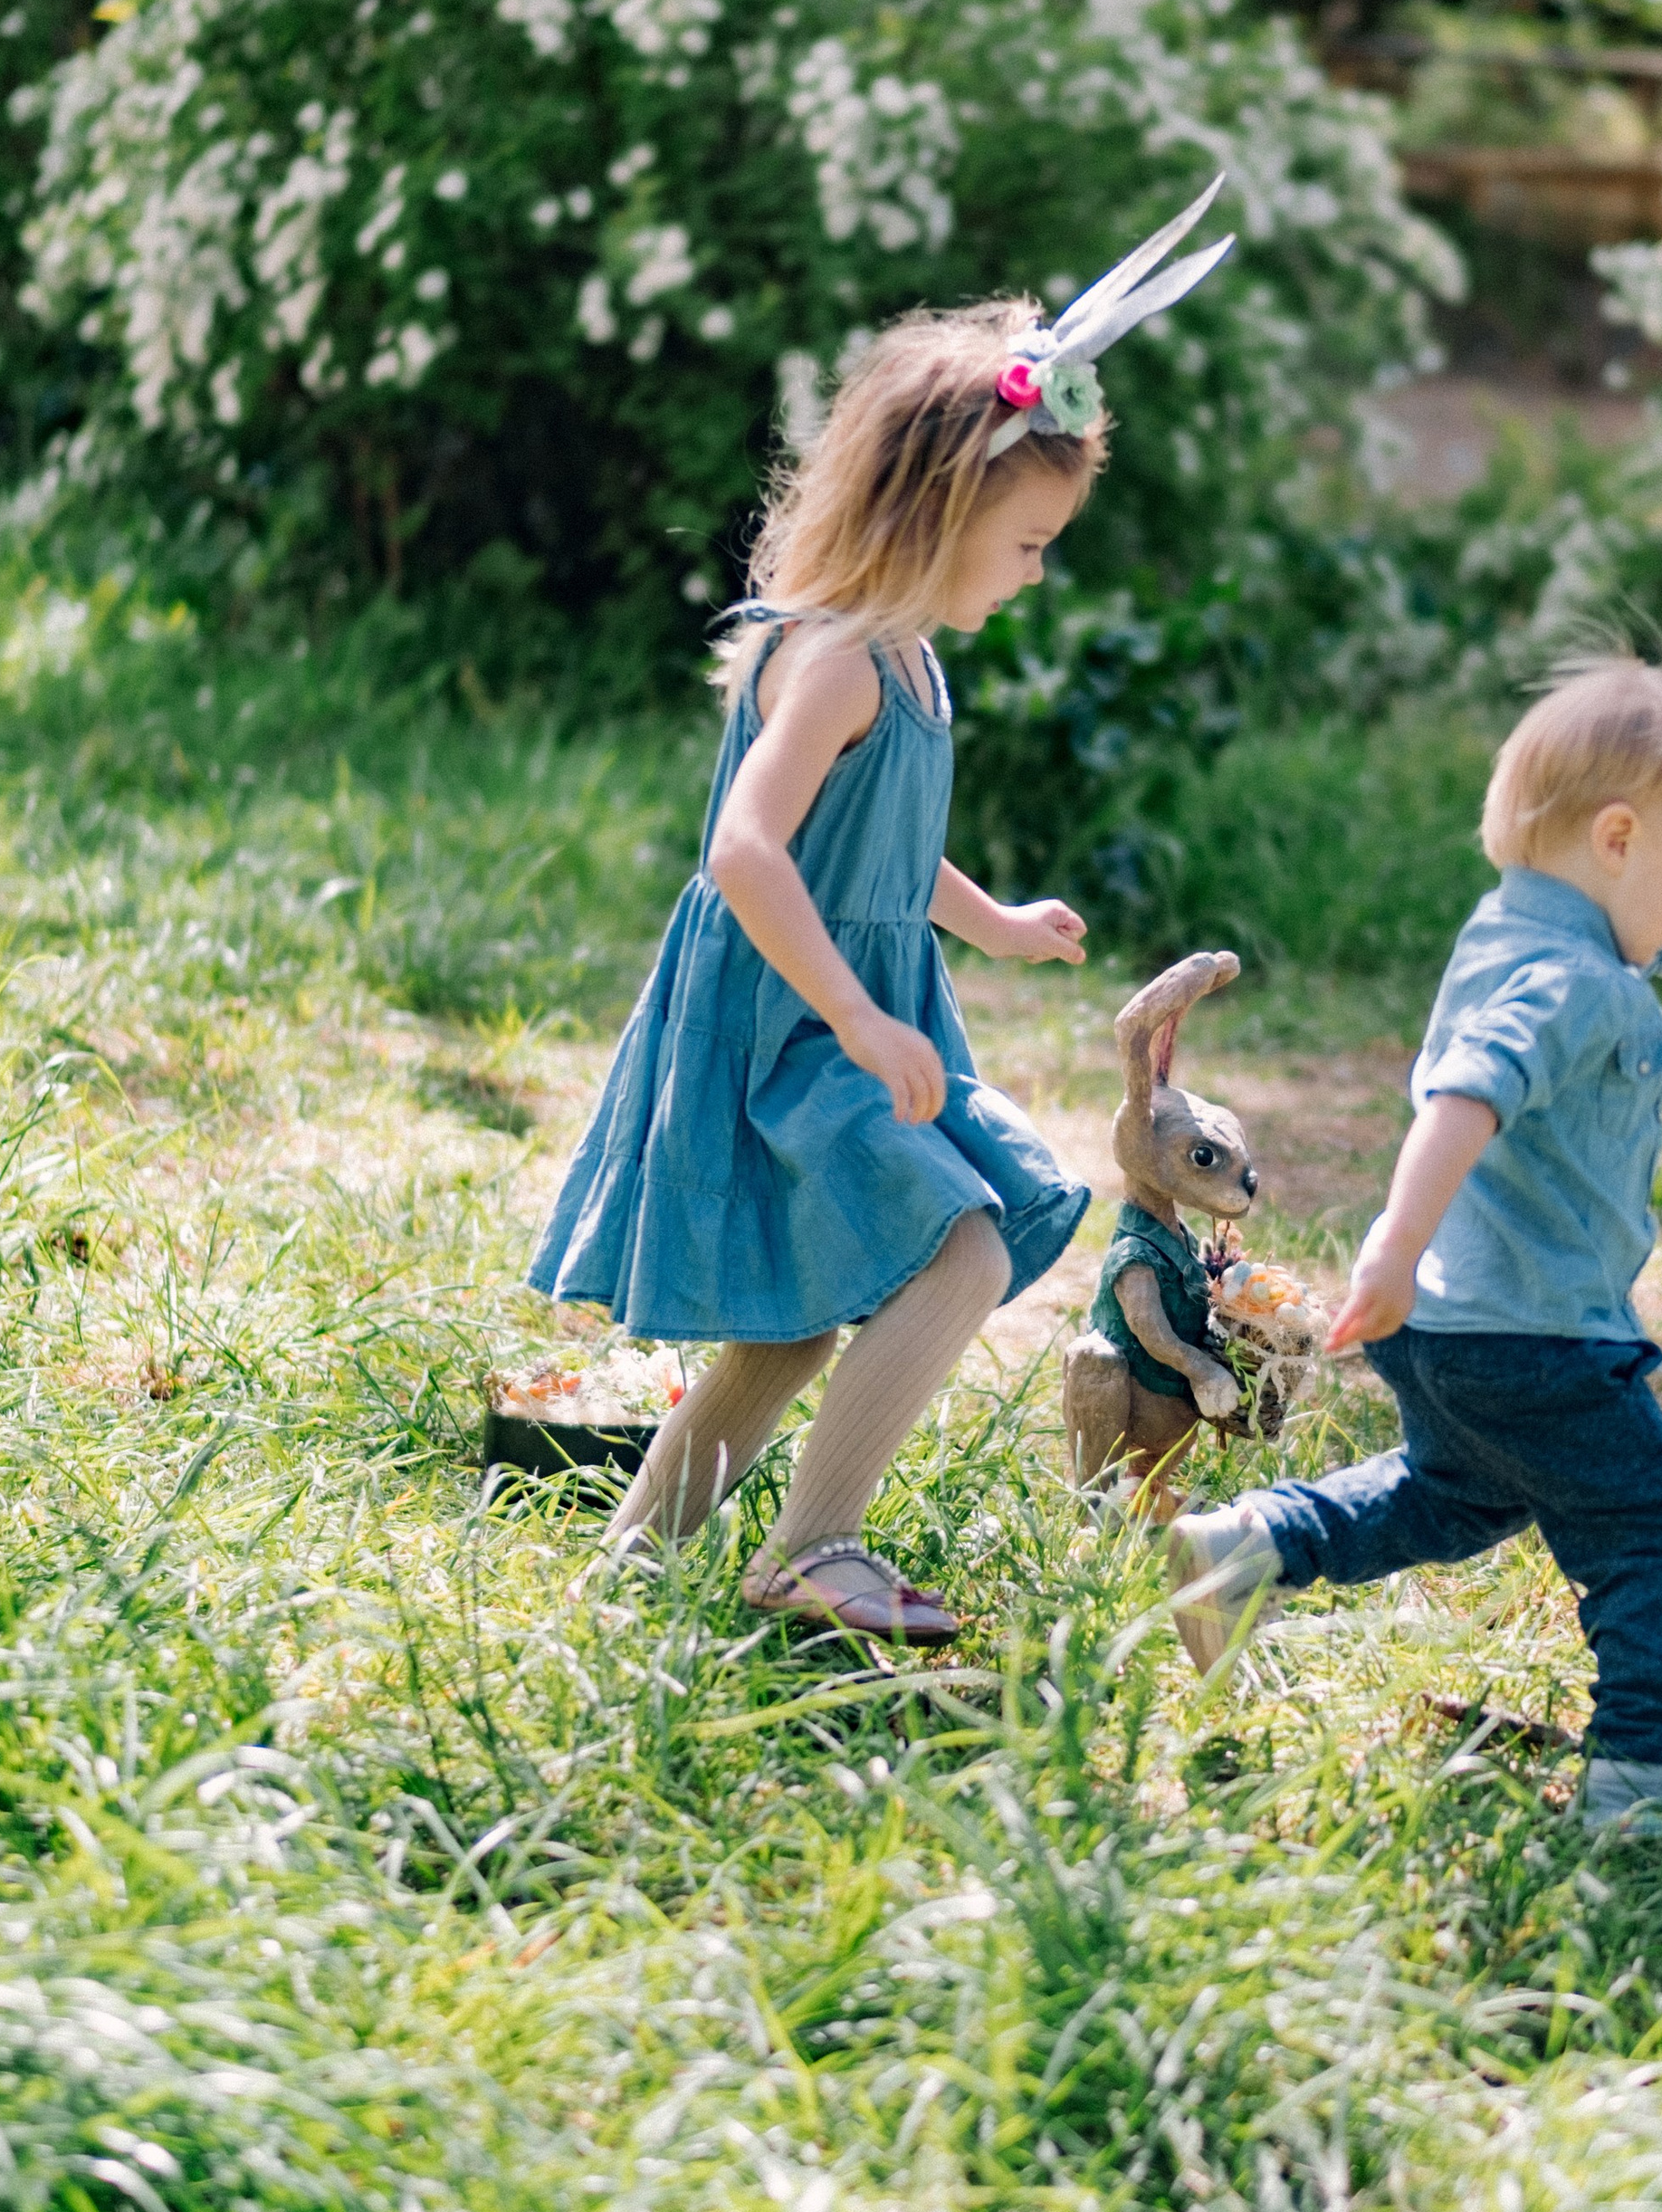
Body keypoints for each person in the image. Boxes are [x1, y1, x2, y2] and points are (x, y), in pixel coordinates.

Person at [529, 181, 1239, 1642]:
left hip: (844, 1012)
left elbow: (877, 850)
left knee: (796, 1322)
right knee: (961, 1246)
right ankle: (812, 1548)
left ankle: (632, 1569)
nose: (1038, 572)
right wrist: (855, 1014)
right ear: (939, 511)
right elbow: (749, 852)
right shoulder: (838, 659)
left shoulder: (911, 659)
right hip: (785, 1025)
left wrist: (988, 921)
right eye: (1027, 542)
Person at [1163, 657, 1662, 1824]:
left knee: (1455, 1495)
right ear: (1618, 839)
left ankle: (1255, 1546)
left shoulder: (1516, 932)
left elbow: (1641, 937)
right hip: (1540, 1335)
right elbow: (1467, 1093)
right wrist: (1390, 1249)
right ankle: (1643, 1775)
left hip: (1451, 1328)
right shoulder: (1576, 984)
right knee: (1658, 1540)